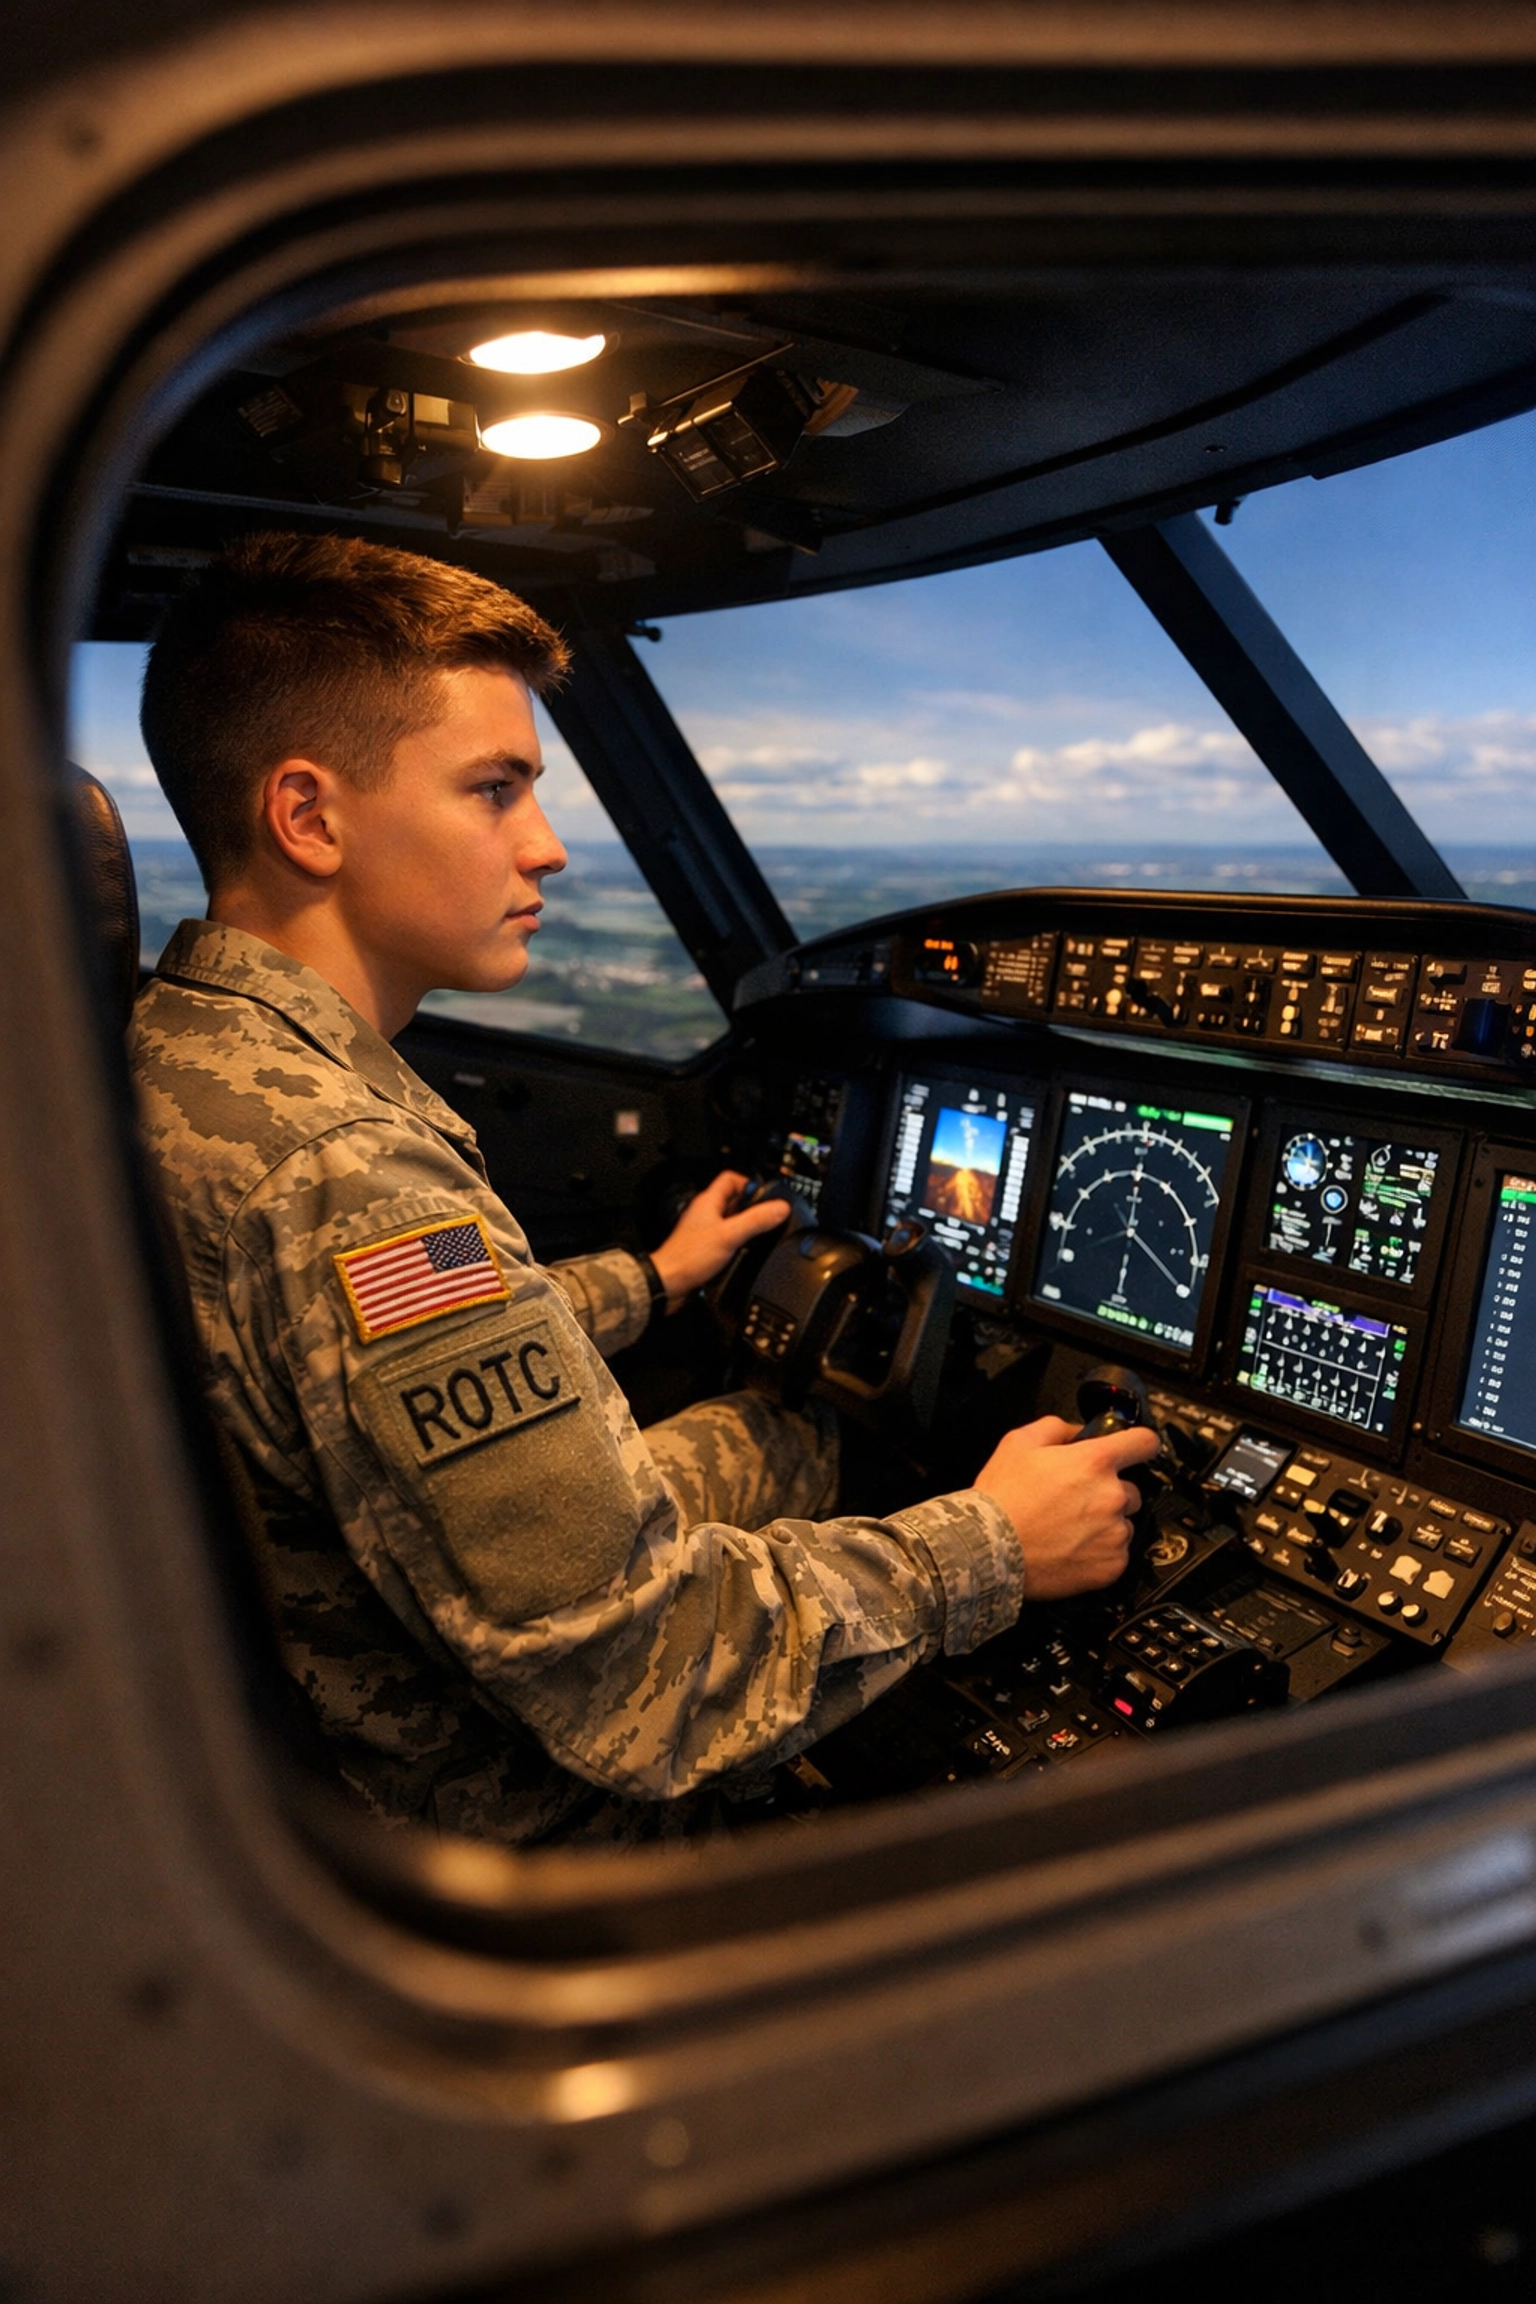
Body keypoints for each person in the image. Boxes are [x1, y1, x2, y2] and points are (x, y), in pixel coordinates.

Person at [128, 532, 1158, 1845]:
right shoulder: (353, 1170)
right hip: (513, 1852)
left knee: (789, 1434)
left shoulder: (177, 1055)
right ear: (310, 818)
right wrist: (992, 1546)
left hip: (295, 1759)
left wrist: (656, 1278)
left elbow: (377, 1346)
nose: (548, 846)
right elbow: (640, 1676)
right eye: (495, 790)